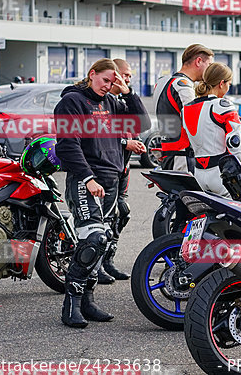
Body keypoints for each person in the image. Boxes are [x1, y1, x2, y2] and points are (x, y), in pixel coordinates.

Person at [54, 58, 149, 328]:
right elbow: (67, 146)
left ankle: (88, 301)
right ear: (91, 74)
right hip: (86, 181)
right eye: (105, 80)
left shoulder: (110, 103)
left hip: (111, 180)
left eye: (113, 81)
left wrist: (128, 93)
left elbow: (141, 124)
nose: (108, 85)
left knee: (104, 242)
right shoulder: (72, 101)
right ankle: (70, 305)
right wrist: (87, 178)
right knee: (93, 239)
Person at [95, 58, 147, 284]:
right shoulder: (100, 101)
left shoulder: (119, 100)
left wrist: (129, 92)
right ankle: (94, 266)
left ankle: (107, 260)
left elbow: (141, 123)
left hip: (122, 168)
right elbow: (99, 134)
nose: (127, 79)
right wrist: (126, 143)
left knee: (121, 213)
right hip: (104, 170)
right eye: (124, 75)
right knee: (101, 221)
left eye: (129, 76)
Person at [181, 62, 241, 196]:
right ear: (222, 83)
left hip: (199, 173)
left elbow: (189, 140)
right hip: (221, 174)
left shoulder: (186, 109)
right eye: (229, 84)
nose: (228, 87)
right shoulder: (223, 106)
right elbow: (234, 144)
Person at [153, 44, 214, 172]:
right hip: (183, 156)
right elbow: (195, 122)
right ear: (198, 61)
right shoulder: (183, 86)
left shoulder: (162, 82)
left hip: (168, 152)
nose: (209, 70)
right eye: (208, 65)